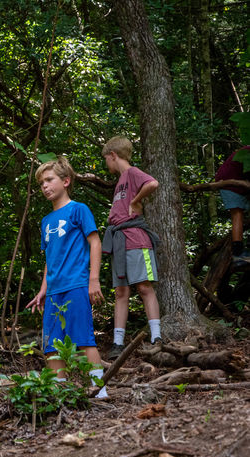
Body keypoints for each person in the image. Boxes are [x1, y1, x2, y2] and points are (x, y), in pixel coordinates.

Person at [25, 156, 107, 398]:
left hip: (76, 284)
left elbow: (95, 242)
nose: (45, 187)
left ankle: (99, 390)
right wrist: (43, 289)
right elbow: (50, 259)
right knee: (51, 343)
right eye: (41, 183)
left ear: (66, 181)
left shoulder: (78, 210)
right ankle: (58, 390)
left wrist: (94, 279)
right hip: (53, 290)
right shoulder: (45, 221)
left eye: (49, 180)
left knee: (83, 337)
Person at [100, 136, 162, 360]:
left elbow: (152, 183)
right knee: (121, 292)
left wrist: (136, 200)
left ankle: (157, 337)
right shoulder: (120, 181)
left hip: (136, 239)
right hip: (119, 242)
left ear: (114, 155)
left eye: (106, 159)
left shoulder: (133, 172)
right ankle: (118, 342)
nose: (106, 164)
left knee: (144, 287)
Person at [215, 145, 250, 265]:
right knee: (237, 214)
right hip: (229, 182)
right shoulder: (247, 152)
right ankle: (238, 254)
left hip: (239, 183)